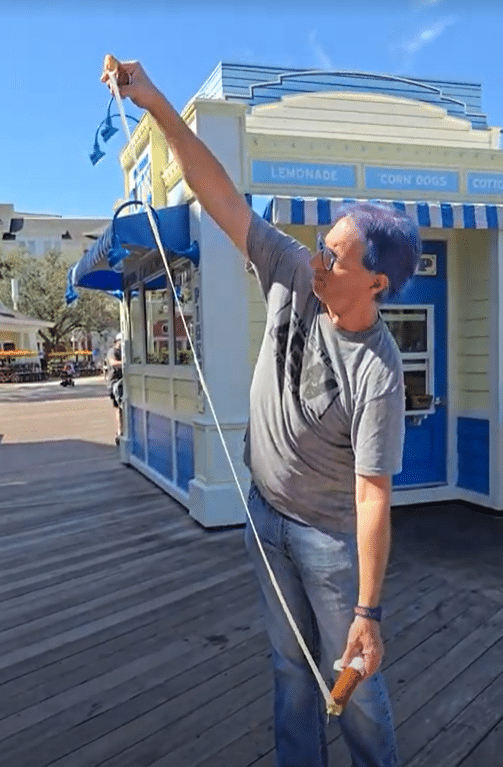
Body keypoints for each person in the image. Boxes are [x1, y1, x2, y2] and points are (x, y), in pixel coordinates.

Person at [102, 57, 421, 767]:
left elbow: (372, 494)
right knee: (290, 674)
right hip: (264, 514)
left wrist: (368, 610)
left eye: (331, 257)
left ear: (372, 282)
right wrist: (151, 99)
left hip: (328, 543)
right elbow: (217, 190)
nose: (315, 260)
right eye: (318, 246)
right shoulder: (287, 268)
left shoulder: (378, 369)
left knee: (356, 689)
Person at [107, 332, 123, 445]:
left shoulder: (124, 352)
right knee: (120, 408)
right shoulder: (112, 351)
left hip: (123, 382)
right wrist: (126, 363)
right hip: (115, 383)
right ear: (117, 341)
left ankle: (123, 431)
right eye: (121, 341)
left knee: (124, 408)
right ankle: (120, 432)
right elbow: (113, 363)